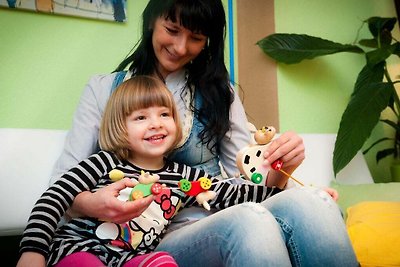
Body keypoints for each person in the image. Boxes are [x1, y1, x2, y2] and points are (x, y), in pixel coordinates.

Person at [42, 0, 358, 266]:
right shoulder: (103, 89)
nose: (181, 47)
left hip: (218, 212)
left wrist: (282, 169)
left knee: (316, 201)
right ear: (152, 20)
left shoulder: (221, 94)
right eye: (172, 30)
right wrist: (97, 205)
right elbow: (62, 184)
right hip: (145, 240)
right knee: (249, 220)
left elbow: (248, 182)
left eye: (195, 37)